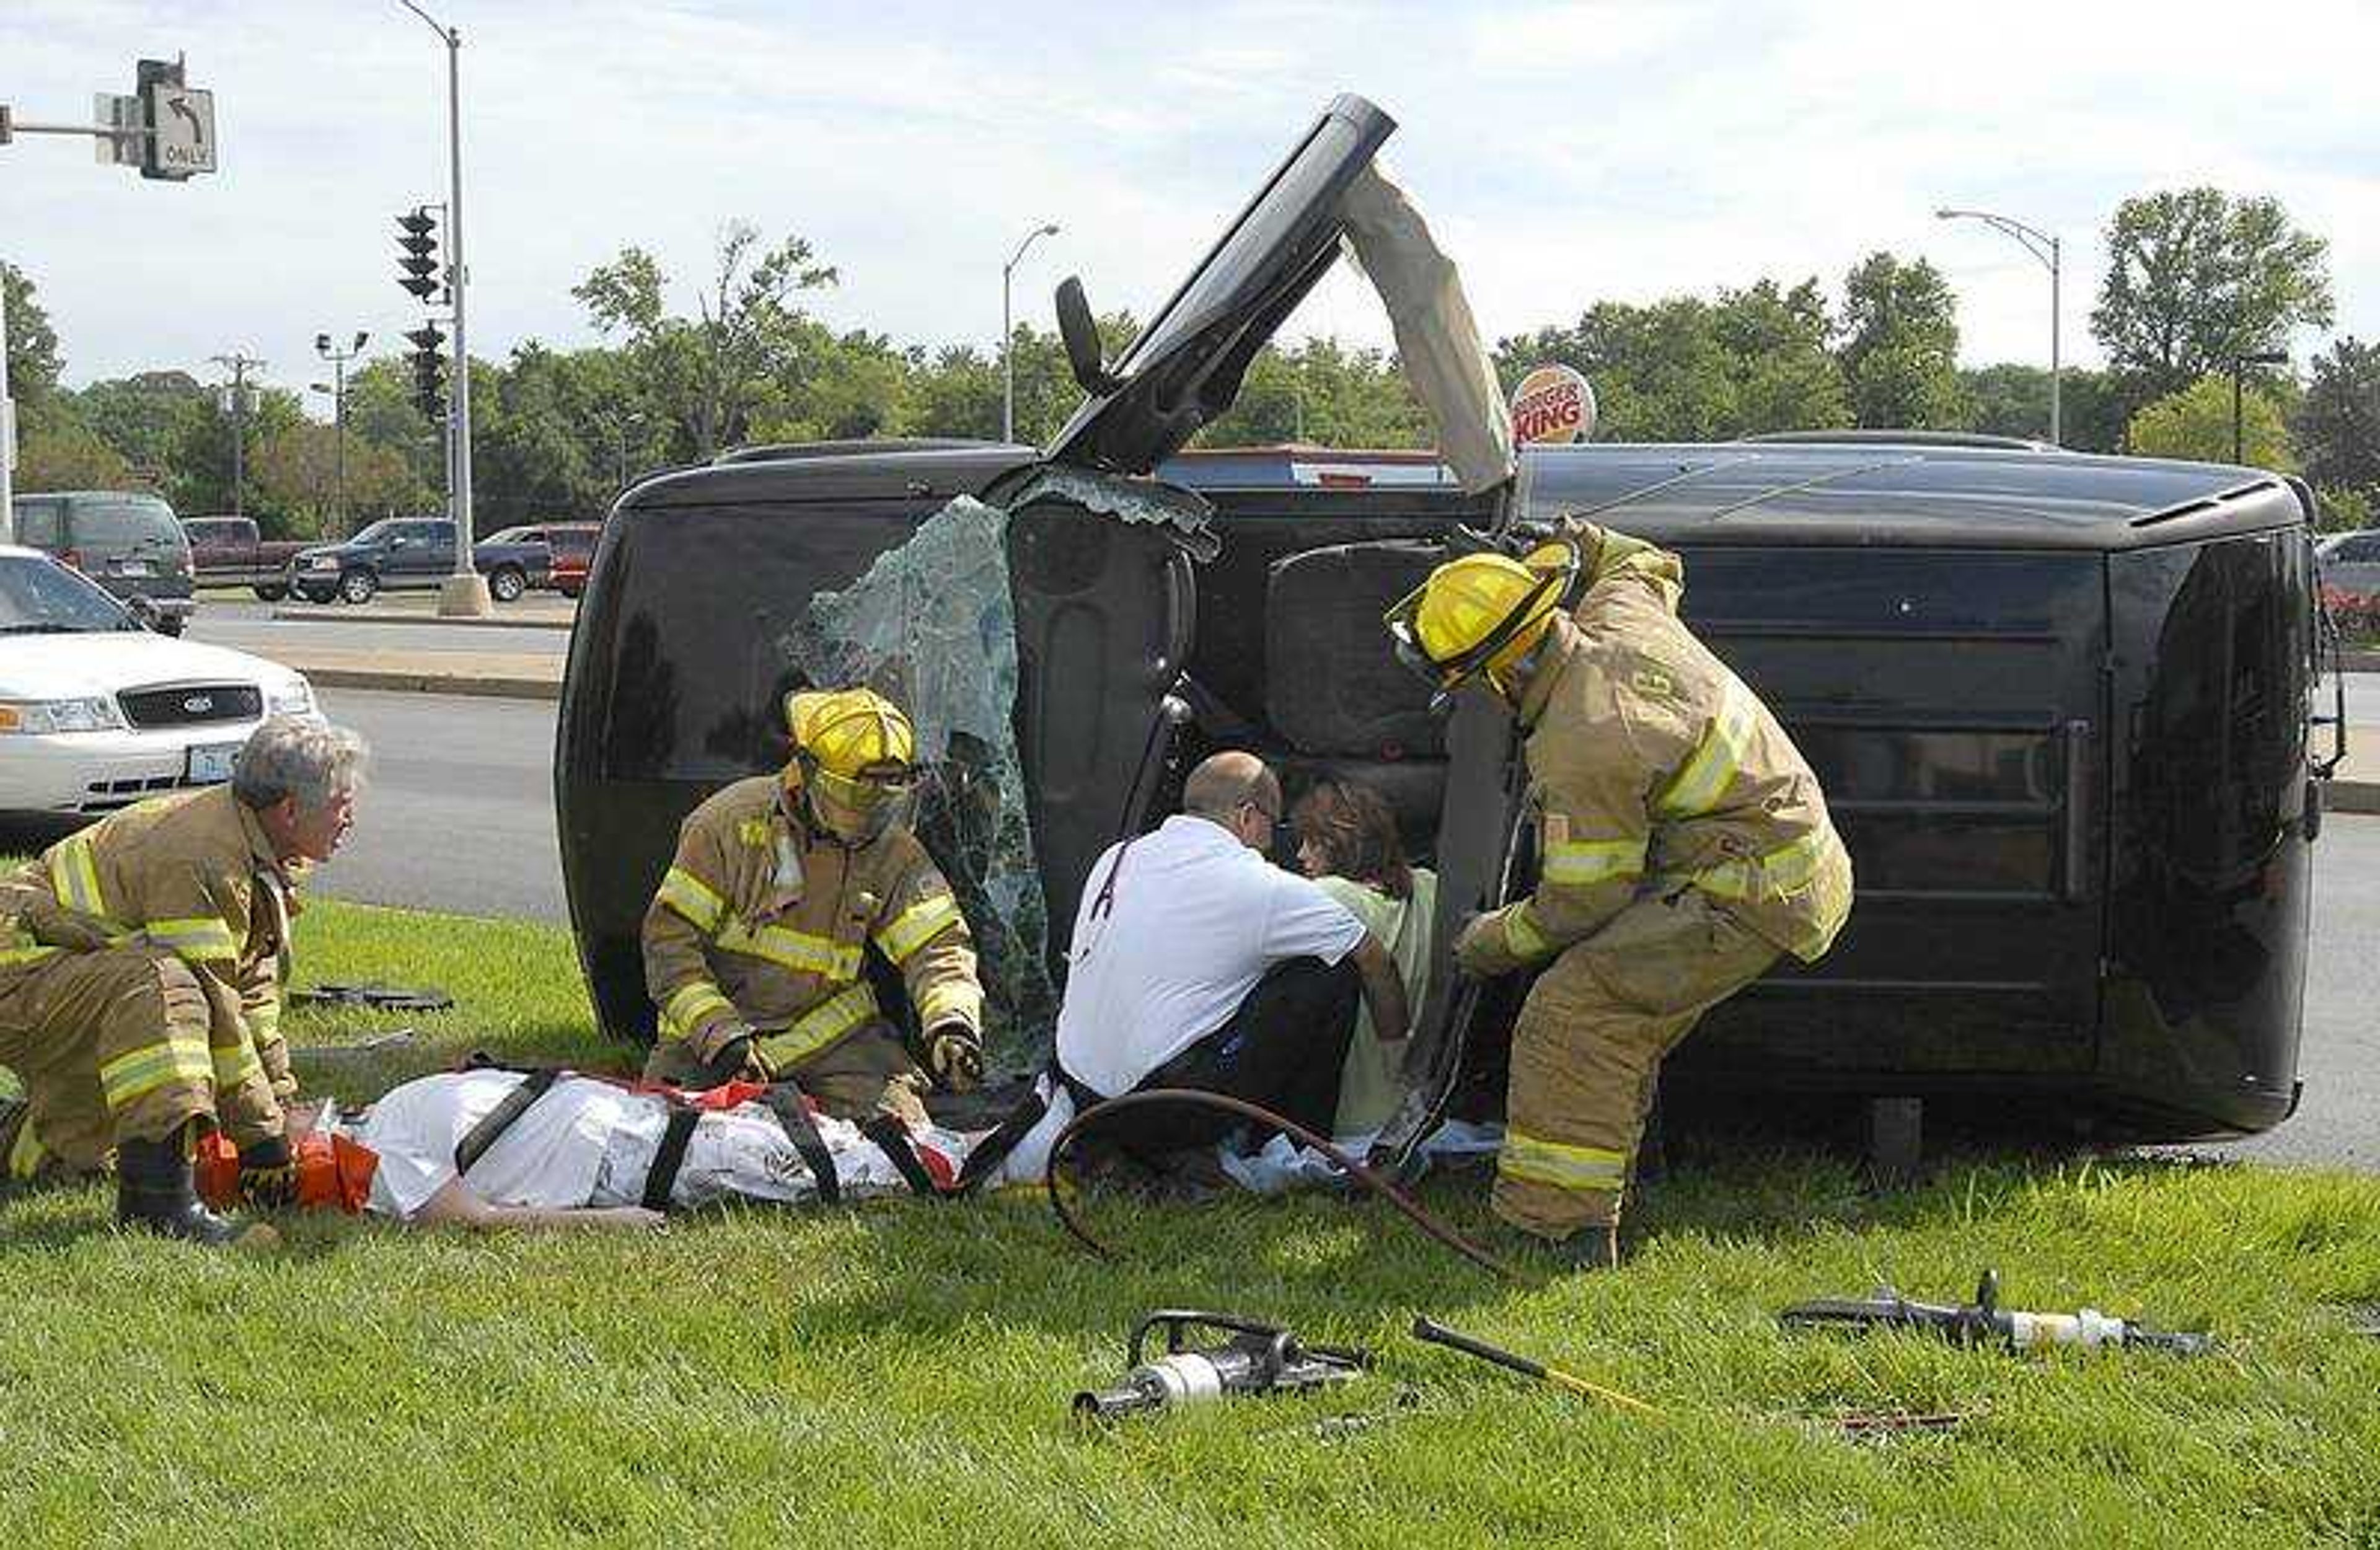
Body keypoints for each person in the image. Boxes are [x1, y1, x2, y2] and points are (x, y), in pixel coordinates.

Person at [1385, 521, 1853, 1269]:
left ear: (1501, 675)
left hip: (1745, 891)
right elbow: (1644, 558)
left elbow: (1583, 902)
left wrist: (1489, 940)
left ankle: (1554, 1229)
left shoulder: (1586, 737)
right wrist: (1568, 532)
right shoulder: (1618, 611)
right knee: (1624, 1022)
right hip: (1782, 862)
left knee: (1576, 1012)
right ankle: (1610, 1190)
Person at [0, 715, 367, 1244]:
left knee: (90, 1148)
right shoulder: (201, 857)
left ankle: (24, 1142)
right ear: (289, 809)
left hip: (68, 974)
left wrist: (279, 1104)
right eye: (343, 802)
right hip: (20, 974)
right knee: (165, 988)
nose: (351, 817)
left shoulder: (261, 850)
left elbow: (252, 996)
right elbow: (216, 1003)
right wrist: (262, 1141)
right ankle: (159, 1209)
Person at [641, 687, 984, 1127]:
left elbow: (937, 946)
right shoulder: (726, 825)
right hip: (716, 1036)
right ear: (806, 769)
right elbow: (668, 945)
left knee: (901, 1137)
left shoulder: (892, 850)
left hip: (832, 1037)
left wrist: (950, 1024)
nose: (872, 814)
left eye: (887, 793)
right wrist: (720, 1035)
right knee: (671, 1134)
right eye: (858, 794)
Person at [1051, 751, 1412, 1157]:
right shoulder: (1260, 886)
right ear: (1247, 816)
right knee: (1330, 972)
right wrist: (1399, 1060)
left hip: (1076, 1095)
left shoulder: (1116, 857)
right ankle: (1295, 1146)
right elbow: (1373, 957)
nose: (1281, 846)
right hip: (1157, 1115)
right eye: (1276, 827)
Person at [258, 1070, 972, 1229]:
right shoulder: (391, 1132)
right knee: (816, 1162)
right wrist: (609, 1221)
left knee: (820, 1159)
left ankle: (970, 1155)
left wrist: (607, 1220)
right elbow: (477, 1213)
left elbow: (472, 1212)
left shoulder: (383, 1138)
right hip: (628, 1136)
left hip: (628, 1135)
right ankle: (971, 1156)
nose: (284, 1108)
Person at [1289, 777, 1439, 1137]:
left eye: (1314, 843)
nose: (1301, 855)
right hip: (1411, 1114)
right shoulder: (1431, 888)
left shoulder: (1328, 898)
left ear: (1342, 842)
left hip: (1344, 1120)